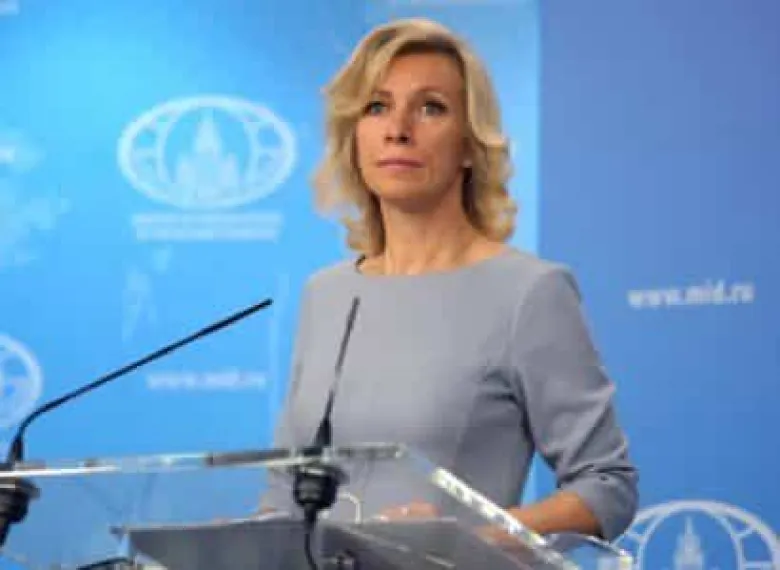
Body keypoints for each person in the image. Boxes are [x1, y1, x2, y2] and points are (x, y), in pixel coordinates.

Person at [265, 17, 638, 544]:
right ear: (354, 138)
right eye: (376, 107)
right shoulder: (325, 294)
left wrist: (471, 539)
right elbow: (283, 492)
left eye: (430, 108)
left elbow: (607, 487)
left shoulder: (528, 292)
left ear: (469, 145)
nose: (398, 129)